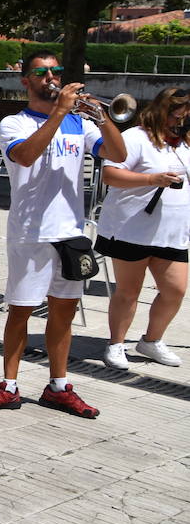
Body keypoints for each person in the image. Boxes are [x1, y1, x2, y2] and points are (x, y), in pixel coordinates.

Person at [0, 52, 127, 417]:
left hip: (69, 232)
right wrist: (59, 113)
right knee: (21, 311)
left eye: (56, 71)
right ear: (25, 81)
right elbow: (25, 156)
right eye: (42, 72)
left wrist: (101, 119)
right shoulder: (15, 122)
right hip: (30, 232)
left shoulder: (80, 124)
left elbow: (118, 154)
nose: (51, 77)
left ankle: (58, 386)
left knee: (63, 313)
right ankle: (8, 386)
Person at [96, 86, 189, 369]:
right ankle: (116, 344)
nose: (179, 122)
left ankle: (151, 341)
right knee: (129, 291)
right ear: (161, 111)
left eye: (184, 117)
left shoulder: (185, 142)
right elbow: (110, 175)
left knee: (175, 290)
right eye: (175, 116)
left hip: (173, 232)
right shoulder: (136, 138)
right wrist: (151, 180)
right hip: (130, 228)